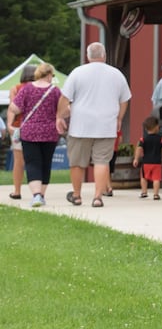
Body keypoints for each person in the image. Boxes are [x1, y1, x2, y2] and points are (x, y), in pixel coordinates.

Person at [57, 41, 132, 208]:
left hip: (80, 125)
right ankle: (98, 197)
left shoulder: (77, 73)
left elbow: (64, 98)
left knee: (77, 162)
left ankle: (76, 195)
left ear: (88, 56)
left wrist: (59, 117)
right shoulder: (116, 74)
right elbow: (125, 99)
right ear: (104, 56)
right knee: (102, 161)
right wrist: (119, 118)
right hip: (106, 124)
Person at [8, 62, 62, 207]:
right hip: (50, 132)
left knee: (32, 163)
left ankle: (36, 195)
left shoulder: (26, 89)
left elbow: (14, 108)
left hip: (30, 132)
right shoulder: (55, 91)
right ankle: (42, 194)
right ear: (49, 74)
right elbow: (64, 110)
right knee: (46, 163)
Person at [7, 63, 36, 199]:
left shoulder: (16, 88)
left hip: (19, 127)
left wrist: (9, 125)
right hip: (37, 127)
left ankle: (17, 191)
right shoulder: (40, 88)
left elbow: (13, 108)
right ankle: (37, 192)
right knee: (36, 160)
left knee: (19, 161)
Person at [134, 114, 162, 199]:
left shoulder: (143, 139)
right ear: (157, 127)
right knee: (156, 179)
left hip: (146, 162)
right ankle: (156, 194)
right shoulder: (161, 139)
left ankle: (144, 192)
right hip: (157, 163)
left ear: (145, 128)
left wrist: (136, 159)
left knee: (144, 177)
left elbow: (139, 148)